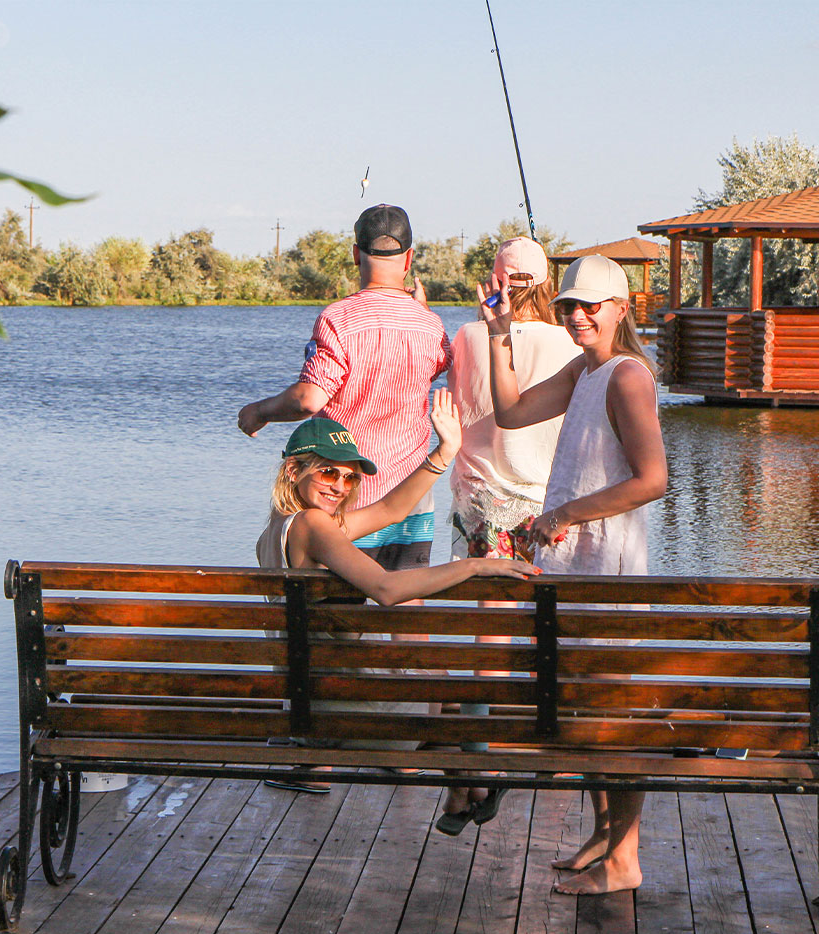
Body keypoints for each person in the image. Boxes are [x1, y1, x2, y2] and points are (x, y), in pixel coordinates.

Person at [483, 254, 667, 895]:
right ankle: (601, 837)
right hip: (570, 566)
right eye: (570, 306)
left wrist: (562, 511)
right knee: (585, 710)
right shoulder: (586, 371)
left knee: (612, 717)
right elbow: (508, 413)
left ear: (622, 309)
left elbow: (653, 480)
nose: (580, 315)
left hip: (608, 573)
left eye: (593, 304)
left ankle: (625, 860)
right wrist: (500, 331)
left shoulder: (626, 377)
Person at [256, 392, 539, 792]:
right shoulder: (314, 527)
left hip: (306, 704)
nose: (341, 486)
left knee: (435, 681)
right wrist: (475, 564)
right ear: (293, 470)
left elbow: (390, 510)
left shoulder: (281, 530)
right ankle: (471, 781)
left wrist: (444, 453)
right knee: (457, 691)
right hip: (345, 710)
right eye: (328, 473)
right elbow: (387, 588)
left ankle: (460, 783)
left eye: (350, 477)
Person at [435, 237, 580, 836]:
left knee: (479, 646)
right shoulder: (569, 342)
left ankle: (474, 776)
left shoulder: (466, 338)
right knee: (510, 644)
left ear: (490, 282)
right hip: (538, 514)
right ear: (546, 284)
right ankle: (478, 776)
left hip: (475, 513)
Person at [240, 203, 451, 575]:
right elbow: (440, 362)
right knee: (407, 615)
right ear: (409, 258)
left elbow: (310, 399)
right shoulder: (430, 324)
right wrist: (421, 312)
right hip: (412, 494)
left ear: (356, 254)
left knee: (340, 610)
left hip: (345, 494)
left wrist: (260, 412)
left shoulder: (338, 318)